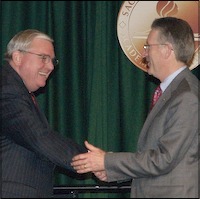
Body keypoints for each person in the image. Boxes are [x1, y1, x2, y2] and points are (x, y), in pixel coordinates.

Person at [71, 17, 199, 198]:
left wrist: (106, 161)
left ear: (167, 50)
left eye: (148, 46)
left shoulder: (186, 96)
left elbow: (163, 159)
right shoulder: (175, 91)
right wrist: (111, 170)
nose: (144, 53)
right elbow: (156, 159)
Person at [1, 29, 87, 198]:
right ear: (17, 57)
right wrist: (91, 161)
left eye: (53, 60)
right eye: (43, 58)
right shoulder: (7, 90)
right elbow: (39, 138)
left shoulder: (16, 89)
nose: (50, 66)